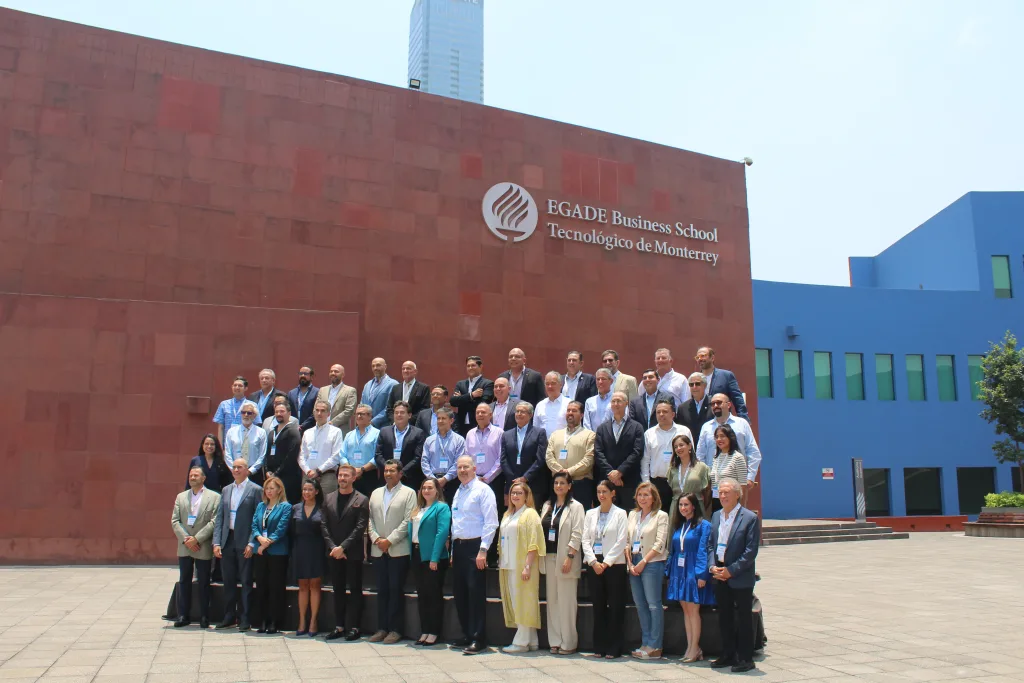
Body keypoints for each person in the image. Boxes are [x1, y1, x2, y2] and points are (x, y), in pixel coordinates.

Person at [709, 478, 760, 673]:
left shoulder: (749, 518)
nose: (722, 496)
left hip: (739, 575)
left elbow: (750, 552)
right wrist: (713, 566)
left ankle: (745, 658)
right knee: (725, 617)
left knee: (744, 618)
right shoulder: (715, 516)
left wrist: (731, 570)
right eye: (720, 492)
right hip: (719, 573)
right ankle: (728, 653)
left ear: (737, 494)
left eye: (726, 492)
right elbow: (710, 545)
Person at [450, 455, 499, 655]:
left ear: (474, 468)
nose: (462, 470)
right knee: (460, 594)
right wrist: (453, 551)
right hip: (459, 547)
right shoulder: (458, 491)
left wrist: (483, 550)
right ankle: (467, 634)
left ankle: (479, 638)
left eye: (466, 467)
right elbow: (456, 522)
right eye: (459, 467)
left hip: (475, 548)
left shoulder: (483, 490)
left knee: (475, 594)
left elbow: (491, 522)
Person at [367, 460, 417, 644]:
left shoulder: (409, 493)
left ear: (400, 473)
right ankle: (382, 628)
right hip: (378, 548)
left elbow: (408, 521)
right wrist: (376, 539)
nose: (388, 474)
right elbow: (369, 519)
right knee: (382, 591)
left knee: (396, 590)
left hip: (398, 549)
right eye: (386, 471)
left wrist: (390, 540)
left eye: (392, 471)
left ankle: (395, 629)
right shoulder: (375, 493)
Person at [213, 459, 263, 631]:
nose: (235, 470)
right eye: (233, 467)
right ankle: (229, 616)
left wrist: (252, 542)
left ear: (246, 470)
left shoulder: (256, 490)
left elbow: (258, 519)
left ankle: (245, 618)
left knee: (246, 582)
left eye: (239, 467)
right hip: (228, 540)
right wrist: (216, 542)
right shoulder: (227, 490)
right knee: (228, 581)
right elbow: (220, 517)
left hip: (245, 541)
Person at [538, 472, 585, 655]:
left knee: (566, 602)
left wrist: (570, 556)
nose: (559, 486)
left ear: (569, 486)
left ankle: (569, 642)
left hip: (566, 559)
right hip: (549, 557)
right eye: (556, 483)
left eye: (563, 483)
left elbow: (577, 533)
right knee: (553, 601)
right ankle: (555, 640)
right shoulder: (547, 505)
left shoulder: (576, 507)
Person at [322, 465, 370, 642]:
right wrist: (334, 547)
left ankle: (355, 627)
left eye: (346, 476)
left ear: (353, 478)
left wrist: (343, 547)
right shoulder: (328, 498)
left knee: (355, 590)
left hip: (352, 553)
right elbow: (324, 525)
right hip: (334, 553)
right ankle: (339, 626)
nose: (342, 478)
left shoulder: (362, 499)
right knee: (338, 590)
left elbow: (360, 527)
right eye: (340, 475)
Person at [582, 480, 629, 659]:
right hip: (595, 563)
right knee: (598, 606)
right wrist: (594, 562)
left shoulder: (620, 513)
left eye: (605, 492)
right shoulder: (590, 514)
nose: (601, 495)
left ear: (612, 493)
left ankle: (614, 647)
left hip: (614, 564)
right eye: (599, 491)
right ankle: (599, 646)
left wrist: (606, 562)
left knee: (616, 606)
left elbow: (621, 540)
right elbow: (585, 540)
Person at [666, 492, 715, 664]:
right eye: (680, 505)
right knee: (686, 611)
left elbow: (704, 550)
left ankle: (695, 647)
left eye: (686, 505)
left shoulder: (703, 525)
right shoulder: (680, 526)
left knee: (694, 611)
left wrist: (702, 574)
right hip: (680, 572)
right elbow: (674, 550)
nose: (683, 508)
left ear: (694, 506)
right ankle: (690, 647)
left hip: (693, 571)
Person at [498, 482, 545, 653]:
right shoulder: (508, 514)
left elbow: (534, 542)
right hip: (508, 564)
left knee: (523, 601)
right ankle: (531, 639)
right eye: (513, 493)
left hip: (523, 565)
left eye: (519, 493)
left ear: (526, 495)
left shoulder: (530, 514)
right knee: (517, 600)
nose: (515, 496)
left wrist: (527, 565)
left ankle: (521, 642)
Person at [172, 466, 221, 628]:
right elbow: (175, 521)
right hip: (185, 545)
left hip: (203, 545)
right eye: (191, 475)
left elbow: (214, 521)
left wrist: (197, 539)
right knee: (184, 580)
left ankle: (204, 616)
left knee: (204, 582)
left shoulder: (214, 497)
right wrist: (187, 539)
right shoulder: (181, 497)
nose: (192, 477)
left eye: (196, 475)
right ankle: (182, 615)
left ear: (203, 478)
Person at [626, 482, 670, 659]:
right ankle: (645, 642)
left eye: (646, 495)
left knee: (653, 604)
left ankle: (655, 645)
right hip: (633, 562)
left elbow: (660, 543)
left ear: (654, 498)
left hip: (651, 562)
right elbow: (627, 541)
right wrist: (630, 563)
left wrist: (644, 561)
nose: (642, 498)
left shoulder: (661, 516)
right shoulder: (632, 514)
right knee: (640, 604)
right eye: (640, 494)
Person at [409, 477, 451, 646]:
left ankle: (434, 631)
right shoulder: (417, 509)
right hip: (417, 554)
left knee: (433, 595)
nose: (426, 491)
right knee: (422, 595)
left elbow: (441, 533)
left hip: (433, 557)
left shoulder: (441, 508)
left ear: (437, 490)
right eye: (424, 488)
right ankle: (425, 630)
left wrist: (434, 558)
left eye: (430, 488)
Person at [250, 475, 292, 634]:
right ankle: (262, 620)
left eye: (272, 488)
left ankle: (275, 621)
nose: (269, 491)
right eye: (267, 488)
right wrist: (260, 540)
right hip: (261, 551)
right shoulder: (261, 506)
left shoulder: (285, 506)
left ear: (279, 490)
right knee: (261, 586)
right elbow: (254, 525)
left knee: (276, 587)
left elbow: (281, 529)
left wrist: (266, 544)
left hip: (277, 552)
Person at [696, 394, 762, 489]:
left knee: (737, 505)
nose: (715, 406)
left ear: (729, 404)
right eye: (712, 404)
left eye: (719, 403)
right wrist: (704, 479)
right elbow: (700, 455)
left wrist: (750, 478)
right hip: (713, 482)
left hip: (736, 482)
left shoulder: (741, 424)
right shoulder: (706, 427)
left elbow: (753, 452)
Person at [594, 391, 645, 511]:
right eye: (613, 401)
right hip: (607, 481)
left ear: (626, 403)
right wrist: (612, 474)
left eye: (619, 401)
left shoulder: (637, 427)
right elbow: (598, 452)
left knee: (628, 515)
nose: (615, 404)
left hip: (629, 480)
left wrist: (620, 472)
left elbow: (637, 452)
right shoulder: (602, 428)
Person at [641, 400, 692, 514]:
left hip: (679, 482)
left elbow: (691, 456)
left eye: (665, 411)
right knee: (657, 517)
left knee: (679, 517)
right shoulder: (649, 433)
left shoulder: (684, 431)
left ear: (673, 414)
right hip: (657, 483)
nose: (661, 414)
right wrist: (647, 483)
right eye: (658, 412)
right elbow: (645, 460)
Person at [545, 401, 596, 509]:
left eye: (574, 410)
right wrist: (560, 472)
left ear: (582, 415)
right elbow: (549, 456)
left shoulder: (589, 435)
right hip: (558, 485)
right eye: (568, 410)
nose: (570, 413)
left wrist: (568, 472)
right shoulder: (555, 434)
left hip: (580, 484)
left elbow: (589, 460)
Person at [291, 479, 325, 637]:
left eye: (310, 489)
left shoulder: (323, 509)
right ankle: (302, 620)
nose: (306, 492)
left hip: (316, 549)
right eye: (304, 489)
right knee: (302, 585)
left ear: (316, 491)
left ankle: (313, 621)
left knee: (315, 585)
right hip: (300, 549)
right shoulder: (295, 508)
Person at [500, 401, 549, 508]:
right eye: (517, 411)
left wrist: (525, 478)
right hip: (512, 484)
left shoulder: (539, 433)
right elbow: (503, 459)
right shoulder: (506, 435)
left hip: (532, 483)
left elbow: (540, 459)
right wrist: (514, 479)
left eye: (523, 412)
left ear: (530, 415)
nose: (519, 414)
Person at [374, 401, 427, 490]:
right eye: (396, 412)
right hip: (387, 478)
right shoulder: (384, 431)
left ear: (409, 415)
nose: (399, 415)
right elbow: (378, 454)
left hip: (408, 478)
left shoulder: (418, 433)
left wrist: (401, 472)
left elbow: (418, 457)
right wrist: (389, 470)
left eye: (402, 412)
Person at [300, 400, 344, 496]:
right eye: (317, 410)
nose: (319, 413)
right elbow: (301, 456)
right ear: (314, 412)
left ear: (328, 414)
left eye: (323, 411)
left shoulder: (336, 432)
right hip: (308, 476)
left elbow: (336, 456)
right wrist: (308, 470)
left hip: (327, 476)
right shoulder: (307, 432)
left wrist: (319, 471)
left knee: (327, 507)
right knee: (307, 506)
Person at [421, 406, 464, 502]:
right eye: (438, 418)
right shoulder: (429, 440)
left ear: (451, 421)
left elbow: (458, 462)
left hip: (451, 482)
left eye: (443, 418)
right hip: (432, 481)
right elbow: (424, 461)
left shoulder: (459, 440)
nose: (440, 421)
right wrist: (432, 479)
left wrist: (445, 478)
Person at [338, 404, 380, 498]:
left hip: (368, 475)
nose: (359, 416)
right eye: (357, 414)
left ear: (370, 416)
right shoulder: (349, 434)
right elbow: (342, 454)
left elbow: (377, 455)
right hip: (349, 475)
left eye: (362, 414)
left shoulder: (377, 433)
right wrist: (350, 469)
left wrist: (362, 469)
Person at [263, 400, 302, 501]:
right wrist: (267, 471)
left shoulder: (293, 432)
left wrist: (277, 472)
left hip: (287, 478)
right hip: (271, 477)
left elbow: (291, 455)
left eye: (282, 411)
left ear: (289, 413)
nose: (279, 414)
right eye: (276, 412)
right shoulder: (272, 432)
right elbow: (266, 454)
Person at [696, 346, 748, 419]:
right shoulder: (695, 380)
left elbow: (738, 400)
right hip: (702, 423)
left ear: (712, 358)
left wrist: (744, 420)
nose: (700, 359)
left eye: (703, 356)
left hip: (722, 421)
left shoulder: (726, 376)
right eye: (697, 357)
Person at [668, 434, 711, 520]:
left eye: (681, 445)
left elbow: (707, 492)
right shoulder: (672, 469)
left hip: (695, 507)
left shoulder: (701, 467)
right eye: (675, 447)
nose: (678, 448)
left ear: (690, 446)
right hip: (677, 509)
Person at [223, 401, 268, 480]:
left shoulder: (261, 432)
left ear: (254, 416)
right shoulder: (231, 432)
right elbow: (227, 454)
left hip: (254, 474)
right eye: (243, 412)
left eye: (249, 413)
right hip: (234, 473)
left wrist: (250, 471)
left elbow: (262, 455)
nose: (246, 415)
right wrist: (234, 469)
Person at [451, 356, 495, 436]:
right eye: (468, 366)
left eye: (473, 365)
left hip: (479, 424)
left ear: (480, 366)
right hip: (461, 425)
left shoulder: (488, 383)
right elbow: (453, 402)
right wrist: (472, 395)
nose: (470, 368)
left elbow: (483, 404)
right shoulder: (460, 384)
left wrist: (461, 399)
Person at [709, 425, 748, 513]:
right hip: (716, 500)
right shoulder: (716, 457)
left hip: (732, 503)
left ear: (730, 438)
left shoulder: (738, 457)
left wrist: (740, 510)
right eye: (717, 437)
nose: (719, 439)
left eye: (722, 436)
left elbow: (743, 486)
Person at [316, 364, 357, 435]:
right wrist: (321, 421)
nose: (333, 373)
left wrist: (332, 423)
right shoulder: (322, 390)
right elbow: (316, 408)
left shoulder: (350, 390)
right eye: (331, 371)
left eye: (336, 371)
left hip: (340, 429)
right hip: (321, 428)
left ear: (343, 374)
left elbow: (349, 410)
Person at [674, 372, 712, 444]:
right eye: (691, 385)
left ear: (704, 385)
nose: (694, 387)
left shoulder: (714, 405)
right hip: (690, 448)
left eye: (697, 384)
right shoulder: (682, 408)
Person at [362, 357, 399, 428]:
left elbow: (390, 407)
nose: (375, 368)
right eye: (373, 366)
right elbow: (362, 404)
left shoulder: (393, 384)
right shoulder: (367, 384)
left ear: (385, 366)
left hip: (383, 427)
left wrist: (373, 421)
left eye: (378, 365)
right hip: (366, 426)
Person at [213, 376, 248, 445]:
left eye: (240, 386)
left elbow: (255, 426)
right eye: (235, 385)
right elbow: (221, 427)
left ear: (245, 388)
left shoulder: (251, 405)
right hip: (228, 444)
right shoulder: (224, 404)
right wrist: (221, 447)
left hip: (244, 444)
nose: (237, 387)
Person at [533, 371, 569, 437]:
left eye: (553, 383)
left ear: (561, 385)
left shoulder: (569, 404)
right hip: (544, 444)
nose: (550, 386)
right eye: (547, 384)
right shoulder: (540, 405)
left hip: (564, 444)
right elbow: (535, 429)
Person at [288, 366, 319, 432]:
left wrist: (303, 426)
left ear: (312, 377)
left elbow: (316, 412)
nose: (302, 375)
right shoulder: (292, 393)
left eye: (305, 374)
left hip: (310, 429)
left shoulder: (317, 392)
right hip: (293, 430)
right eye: (301, 373)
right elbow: (288, 410)